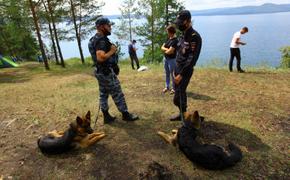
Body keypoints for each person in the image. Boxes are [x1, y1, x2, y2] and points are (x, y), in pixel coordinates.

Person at [88, 17, 139, 124]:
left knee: (103, 93)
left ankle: (106, 116)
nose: (110, 27)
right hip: (105, 72)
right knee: (117, 92)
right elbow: (100, 57)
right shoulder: (101, 39)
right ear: (101, 27)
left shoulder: (95, 38)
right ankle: (125, 114)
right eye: (108, 25)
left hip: (100, 71)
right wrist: (112, 51)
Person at [170, 10, 202, 121]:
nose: (179, 25)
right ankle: (183, 114)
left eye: (181, 22)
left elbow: (192, 59)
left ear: (188, 21)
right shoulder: (182, 34)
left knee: (178, 96)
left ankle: (186, 118)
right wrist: (175, 70)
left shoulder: (195, 37)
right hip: (177, 68)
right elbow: (179, 52)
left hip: (185, 71)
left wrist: (181, 74)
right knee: (179, 94)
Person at [161, 25, 178, 94]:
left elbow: (170, 51)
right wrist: (167, 49)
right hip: (166, 59)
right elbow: (162, 47)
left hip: (172, 60)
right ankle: (167, 87)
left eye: (167, 31)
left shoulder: (175, 40)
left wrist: (166, 50)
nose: (167, 33)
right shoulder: (168, 39)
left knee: (173, 74)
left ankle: (174, 88)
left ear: (171, 32)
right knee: (167, 73)